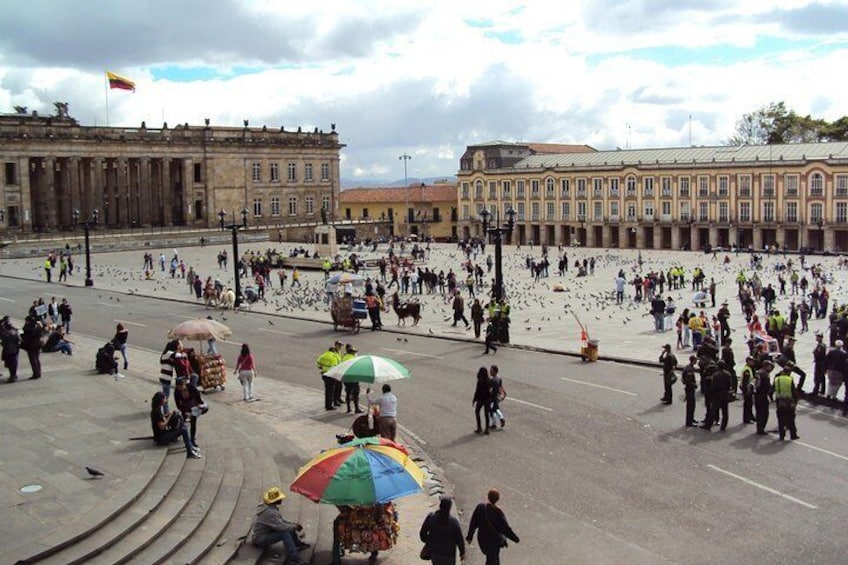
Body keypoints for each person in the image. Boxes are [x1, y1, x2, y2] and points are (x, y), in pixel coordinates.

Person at [251, 487, 309, 564]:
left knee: (289, 527)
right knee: (284, 533)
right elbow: (281, 527)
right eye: (279, 498)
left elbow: (280, 521)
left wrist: (292, 524)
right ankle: (293, 558)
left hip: (266, 532)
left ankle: (297, 545)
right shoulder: (269, 512)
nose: (281, 499)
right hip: (260, 538)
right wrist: (294, 527)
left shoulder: (270, 508)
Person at [466, 488, 519, 565]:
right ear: (498, 499)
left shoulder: (481, 507)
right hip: (493, 543)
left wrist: (469, 537)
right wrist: (515, 539)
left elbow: (473, 523)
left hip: (482, 540)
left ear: (488, 496)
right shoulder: (498, 513)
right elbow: (506, 529)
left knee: (494, 560)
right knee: (492, 560)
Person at [150, 391, 201, 459]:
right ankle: (190, 451)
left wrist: (167, 415)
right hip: (161, 438)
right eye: (164, 398)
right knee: (183, 430)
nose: (166, 400)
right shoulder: (156, 411)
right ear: (160, 400)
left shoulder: (158, 408)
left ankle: (190, 446)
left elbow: (162, 418)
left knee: (183, 426)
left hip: (164, 434)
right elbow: (162, 426)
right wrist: (169, 416)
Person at [419, 496, 466, 564]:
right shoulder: (453, 522)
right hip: (449, 555)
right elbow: (459, 539)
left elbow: (422, 535)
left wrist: (429, 541)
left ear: (440, 506)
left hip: (435, 553)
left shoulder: (431, 518)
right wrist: (462, 552)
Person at [174, 376, 207, 447]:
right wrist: (184, 411)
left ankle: (192, 439)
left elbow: (198, 397)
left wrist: (198, 405)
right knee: (182, 421)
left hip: (193, 405)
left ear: (184, 384)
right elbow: (178, 403)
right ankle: (177, 435)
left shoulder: (191, 387)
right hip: (184, 407)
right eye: (178, 387)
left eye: (181, 387)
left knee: (193, 421)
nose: (180, 389)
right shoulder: (177, 391)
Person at [774, 363, 800, 440]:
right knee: (791, 419)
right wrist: (795, 401)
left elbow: (772, 389)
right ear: (789, 372)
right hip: (789, 401)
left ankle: (782, 435)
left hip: (780, 401)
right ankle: (793, 435)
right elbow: (794, 392)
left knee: (781, 419)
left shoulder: (777, 379)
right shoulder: (790, 379)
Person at [317, 342, 342, 410]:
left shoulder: (323, 355)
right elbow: (335, 366)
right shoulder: (333, 357)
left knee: (327, 391)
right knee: (331, 391)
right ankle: (329, 406)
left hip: (324, 374)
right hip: (331, 375)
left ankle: (327, 404)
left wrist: (322, 367)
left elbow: (318, 363)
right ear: (333, 351)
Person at [20, 314, 44, 380]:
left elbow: (24, 333)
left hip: (31, 346)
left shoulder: (28, 328)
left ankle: (36, 373)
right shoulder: (37, 328)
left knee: (33, 360)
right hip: (38, 345)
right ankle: (38, 372)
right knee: (37, 359)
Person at [754, 360, 774, 435]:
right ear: (766, 366)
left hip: (757, 394)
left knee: (758, 412)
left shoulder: (758, 372)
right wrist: (770, 395)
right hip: (763, 395)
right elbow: (767, 387)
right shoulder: (765, 375)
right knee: (764, 413)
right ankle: (761, 428)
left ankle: (759, 428)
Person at [341, 344, 362, 413]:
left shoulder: (344, 357)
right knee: (356, 393)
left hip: (346, 378)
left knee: (348, 393)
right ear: (352, 352)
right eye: (354, 352)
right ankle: (356, 408)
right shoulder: (354, 359)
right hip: (353, 378)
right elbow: (357, 368)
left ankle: (348, 408)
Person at [473, 367, 492, 434]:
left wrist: (474, 399)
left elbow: (477, 391)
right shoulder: (489, 380)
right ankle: (486, 429)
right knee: (486, 414)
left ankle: (479, 427)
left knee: (477, 411)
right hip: (487, 399)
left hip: (481, 399)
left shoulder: (480, 381)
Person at [1, 318, 21, 382]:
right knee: (14, 363)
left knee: (9, 364)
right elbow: (19, 340)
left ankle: (12, 376)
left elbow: (3, 343)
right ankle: (14, 375)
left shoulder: (4, 334)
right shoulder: (15, 333)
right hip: (15, 350)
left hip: (7, 350)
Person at [682, 355, 698, 427]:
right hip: (690, 389)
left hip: (689, 388)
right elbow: (688, 381)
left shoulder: (689, 367)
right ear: (693, 360)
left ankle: (691, 419)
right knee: (690, 405)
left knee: (692, 405)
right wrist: (694, 385)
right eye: (695, 360)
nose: (696, 361)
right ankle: (689, 422)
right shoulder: (689, 369)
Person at [740, 356, 756, 424]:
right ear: (748, 361)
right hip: (747, 389)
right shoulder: (747, 370)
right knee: (747, 404)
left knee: (749, 404)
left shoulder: (749, 368)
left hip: (749, 388)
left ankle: (750, 416)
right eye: (751, 361)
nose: (753, 362)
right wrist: (746, 391)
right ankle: (746, 419)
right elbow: (745, 381)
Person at [489, 365, 506, 429]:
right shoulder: (499, 378)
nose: (490, 372)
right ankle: (500, 419)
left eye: (491, 371)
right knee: (495, 409)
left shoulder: (493, 380)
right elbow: (500, 387)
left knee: (491, 410)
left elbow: (493, 390)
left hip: (493, 397)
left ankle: (494, 424)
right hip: (497, 396)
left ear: (495, 372)